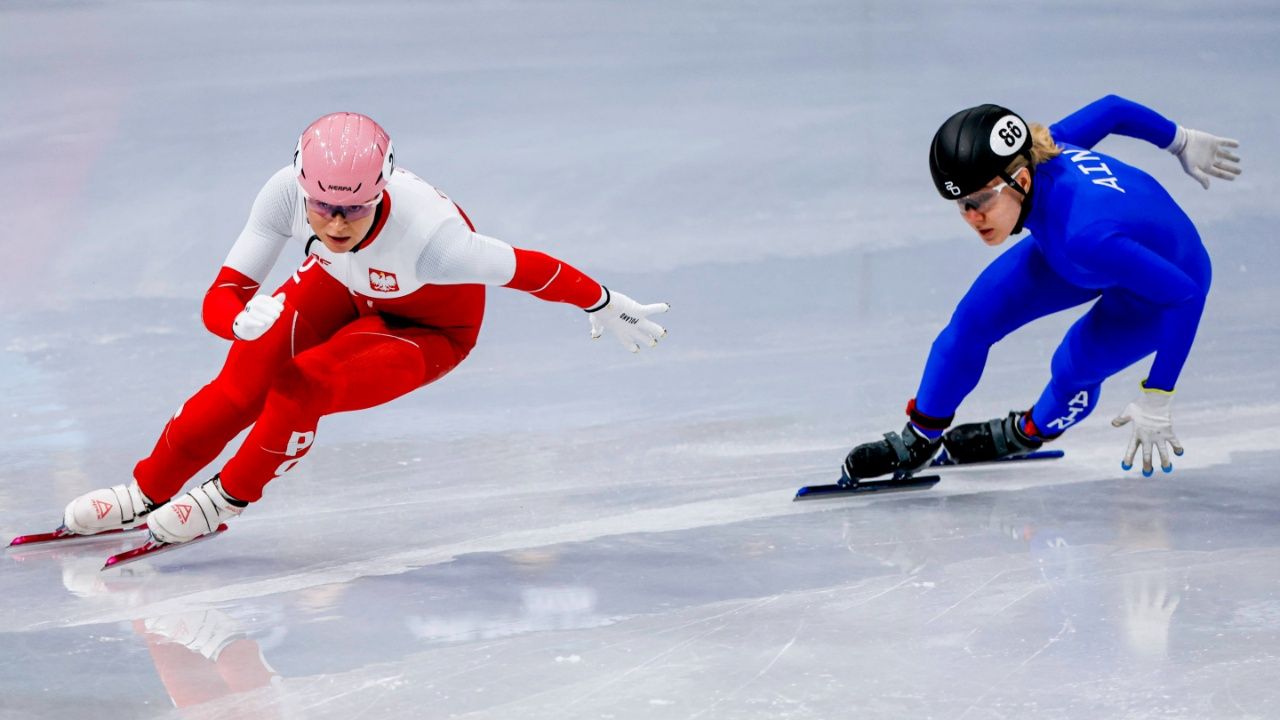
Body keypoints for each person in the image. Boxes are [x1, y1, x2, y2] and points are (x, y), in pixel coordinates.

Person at [60, 112, 669, 546]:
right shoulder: (284, 195)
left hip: (427, 326)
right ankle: (144, 491)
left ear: (382, 189)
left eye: (355, 207)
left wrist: (603, 302)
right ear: (302, 184)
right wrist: (236, 319)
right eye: (323, 206)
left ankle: (226, 499)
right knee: (241, 382)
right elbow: (224, 291)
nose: (336, 221)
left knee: (303, 386)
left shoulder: (437, 245)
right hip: (342, 286)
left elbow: (530, 269)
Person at [842, 95, 1241, 483]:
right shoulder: (1044, 148)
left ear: (1021, 180)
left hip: (1156, 287)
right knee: (971, 322)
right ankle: (920, 438)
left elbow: (1185, 295)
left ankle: (1029, 431)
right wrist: (1179, 140)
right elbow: (1113, 109)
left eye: (980, 200)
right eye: (961, 204)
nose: (972, 217)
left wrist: (1158, 394)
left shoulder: (1084, 236)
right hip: (1085, 251)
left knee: (1073, 367)